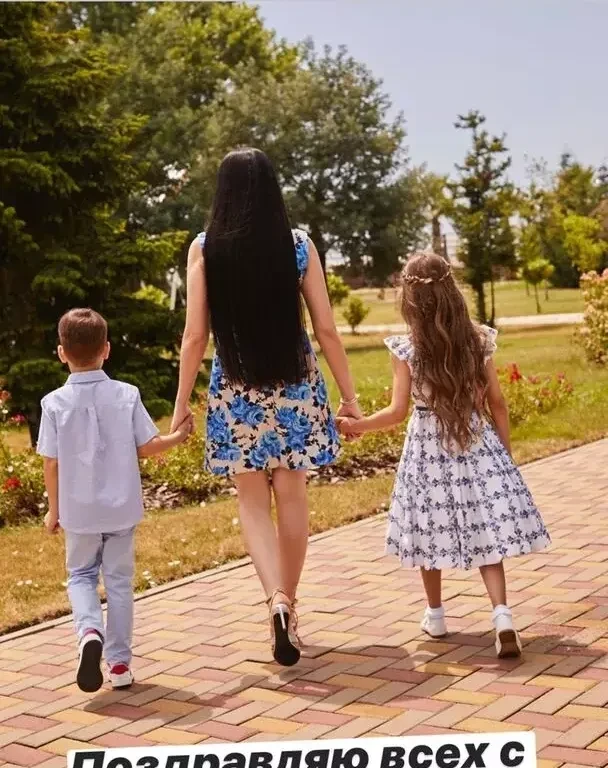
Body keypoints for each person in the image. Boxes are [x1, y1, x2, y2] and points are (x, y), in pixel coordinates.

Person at [170, 148, 361, 667]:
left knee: (252, 501)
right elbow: (326, 328)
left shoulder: (205, 249)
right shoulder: (298, 245)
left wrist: (181, 405)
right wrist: (348, 396)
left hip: (236, 392)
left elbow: (194, 336)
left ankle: (273, 598)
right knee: (292, 495)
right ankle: (288, 605)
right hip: (296, 386)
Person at [337, 253, 551, 658]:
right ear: (452, 290)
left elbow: (397, 412)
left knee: (427, 528)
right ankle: (502, 615)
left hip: (426, 448)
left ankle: (435, 615)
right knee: (486, 532)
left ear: (408, 297)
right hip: (476, 442)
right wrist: (503, 457)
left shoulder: (407, 348)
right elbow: (498, 403)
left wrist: (354, 425)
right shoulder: (478, 340)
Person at [37, 308, 193, 693]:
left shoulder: (53, 403)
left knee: (81, 576)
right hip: (122, 509)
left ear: (61, 352)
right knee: (120, 583)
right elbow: (147, 446)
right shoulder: (127, 394)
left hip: (79, 512)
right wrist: (178, 436)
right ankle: (120, 665)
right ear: (106, 349)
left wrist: (55, 509)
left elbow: (52, 462)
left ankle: (90, 630)